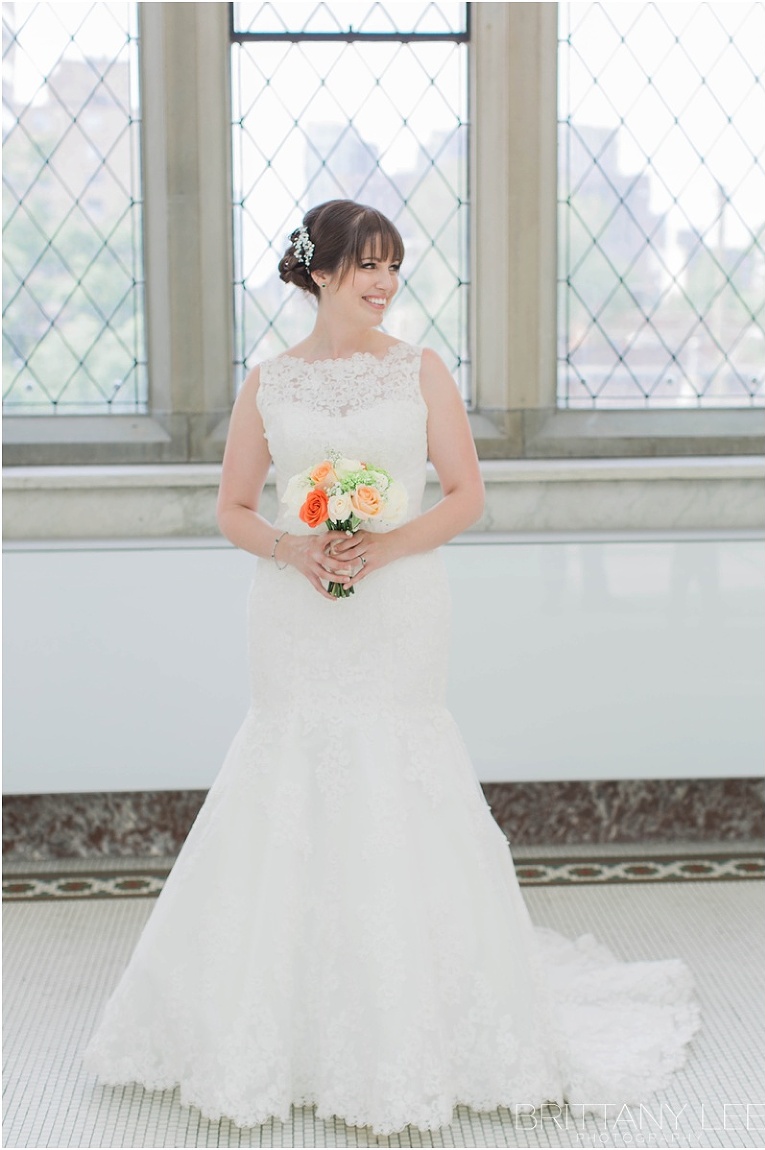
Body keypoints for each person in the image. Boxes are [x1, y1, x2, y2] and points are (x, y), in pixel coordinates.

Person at [82, 199, 701, 1136]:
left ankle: (417, 1018)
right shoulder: (270, 384)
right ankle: (274, 1024)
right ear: (320, 270)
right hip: (295, 611)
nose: (383, 284)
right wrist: (297, 552)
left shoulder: (421, 371)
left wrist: (384, 545)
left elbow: (468, 494)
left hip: (401, 602)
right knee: (288, 769)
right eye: (367, 265)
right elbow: (235, 508)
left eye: (394, 268)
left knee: (400, 770)